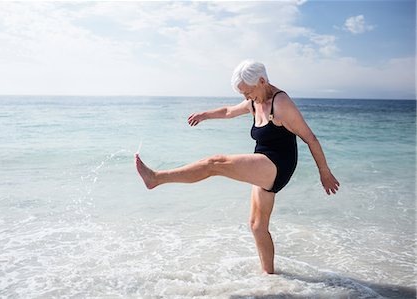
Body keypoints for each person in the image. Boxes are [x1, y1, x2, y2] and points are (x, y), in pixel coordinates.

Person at [135, 59, 340, 274]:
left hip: (278, 164)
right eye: (243, 94)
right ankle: (270, 277)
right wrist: (204, 115)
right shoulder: (255, 100)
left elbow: (311, 138)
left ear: (262, 81)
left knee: (215, 163)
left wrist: (324, 173)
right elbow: (228, 111)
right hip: (263, 161)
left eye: (247, 93)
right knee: (257, 226)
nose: (246, 98)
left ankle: (156, 178)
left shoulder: (281, 104)